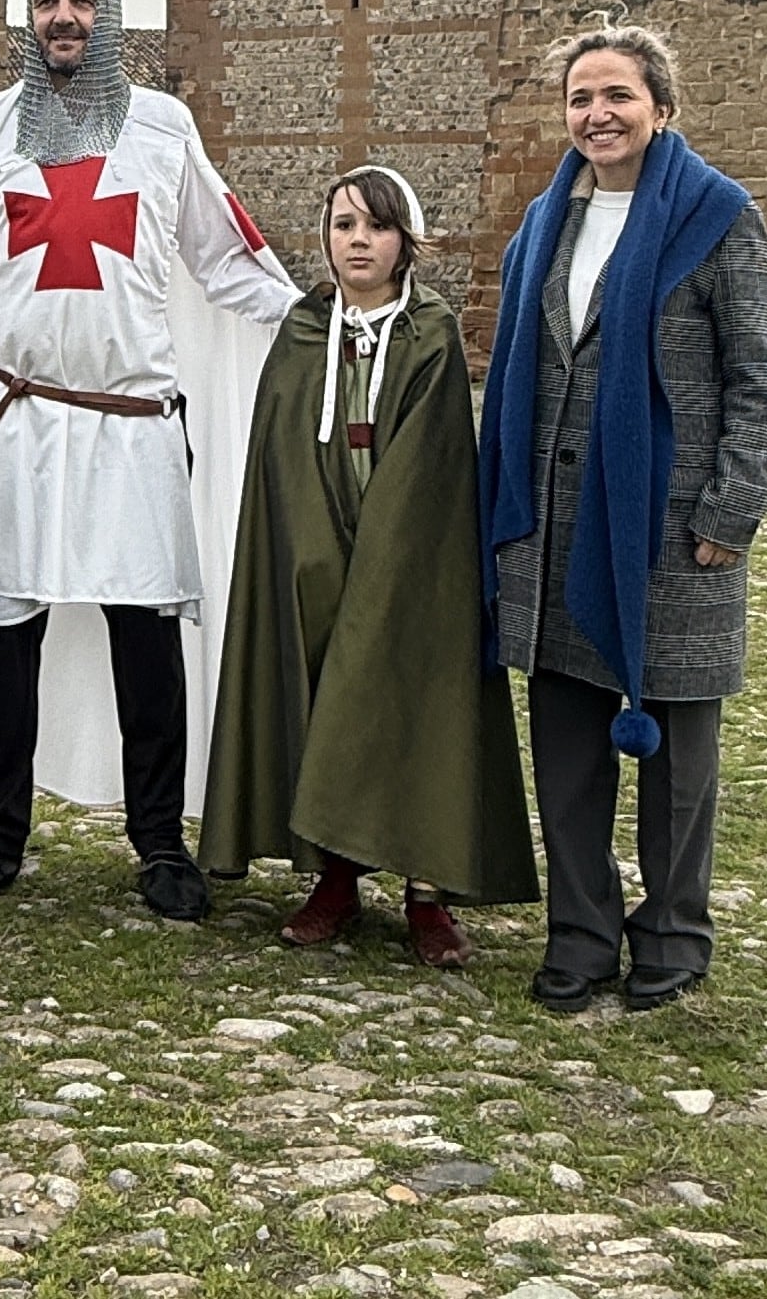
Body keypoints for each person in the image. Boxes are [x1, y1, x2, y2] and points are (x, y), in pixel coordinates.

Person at [0, 0, 296, 920]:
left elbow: (224, 257)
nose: (61, 16)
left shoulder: (160, 130)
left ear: (106, 14)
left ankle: (159, 843)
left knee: (143, 633)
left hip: (129, 425)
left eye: (78, 0)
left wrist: (320, 314)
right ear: (25, 16)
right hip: (11, 422)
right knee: (4, 634)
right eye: (44, 0)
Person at [477, 22, 767, 1013]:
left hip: (669, 524)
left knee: (677, 758)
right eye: (578, 98)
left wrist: (730, 511)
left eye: (614, 95)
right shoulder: (541, 226)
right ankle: (578, 933)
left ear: (660, 107)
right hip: (558, 522)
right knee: (563, 750)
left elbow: (755, 377)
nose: (595, 115)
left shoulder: (715, 216)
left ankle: (672, 933)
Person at [202, 166, 535, 966]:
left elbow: (434, 458)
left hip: (412, 555)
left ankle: (428, 894)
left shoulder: (431, 330)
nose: (358, 240)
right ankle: (334, 876)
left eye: (376, 227)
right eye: (344, 224)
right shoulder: (302, 330)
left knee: (418, 701)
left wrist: (382, 559)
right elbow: (279, 453)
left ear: (403, 242)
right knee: (322, 694)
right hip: (317, 545)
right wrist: (312, 546)